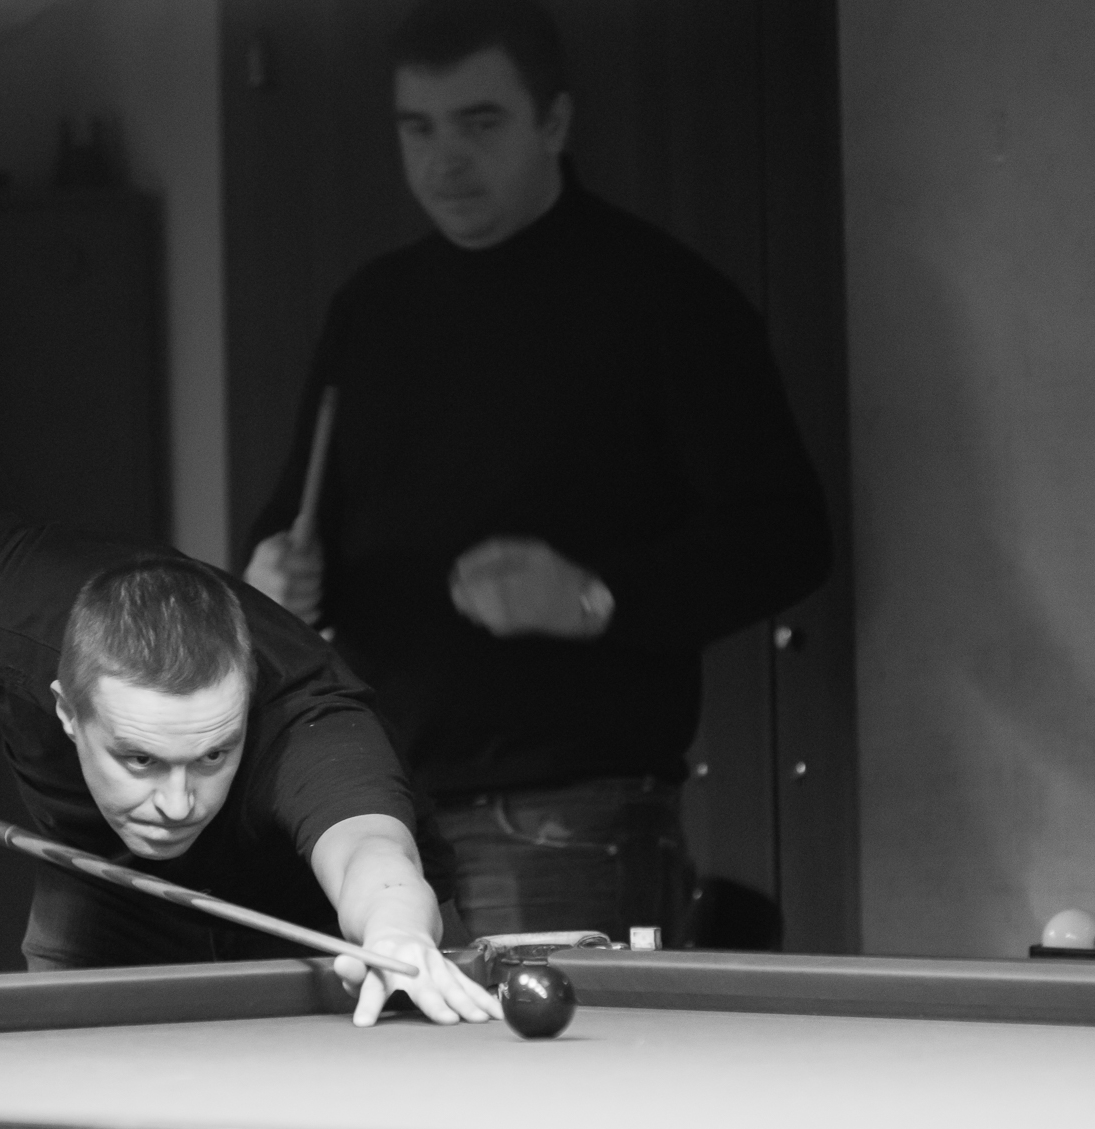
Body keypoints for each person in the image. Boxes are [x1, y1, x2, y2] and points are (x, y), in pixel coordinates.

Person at [240, 0, 831, 945]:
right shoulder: (374, 308)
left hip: (572, 810)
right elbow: (293, 524)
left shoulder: (666, 298)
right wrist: (276, 576)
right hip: (376, 804)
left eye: (480, 123)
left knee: (552, 1049)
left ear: (554, 123)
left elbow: (788, 536)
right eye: (418, 128)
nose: (445, 160)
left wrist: (595, 597)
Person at [0, 443, 497, 1027]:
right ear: (67, 710)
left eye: (213, 755)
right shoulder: (3, 600)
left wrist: (396, 932)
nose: (177, 804)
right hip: (106, 893)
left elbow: (372, 855)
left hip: (317, 919)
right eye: (140, 759)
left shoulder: (309, 723)